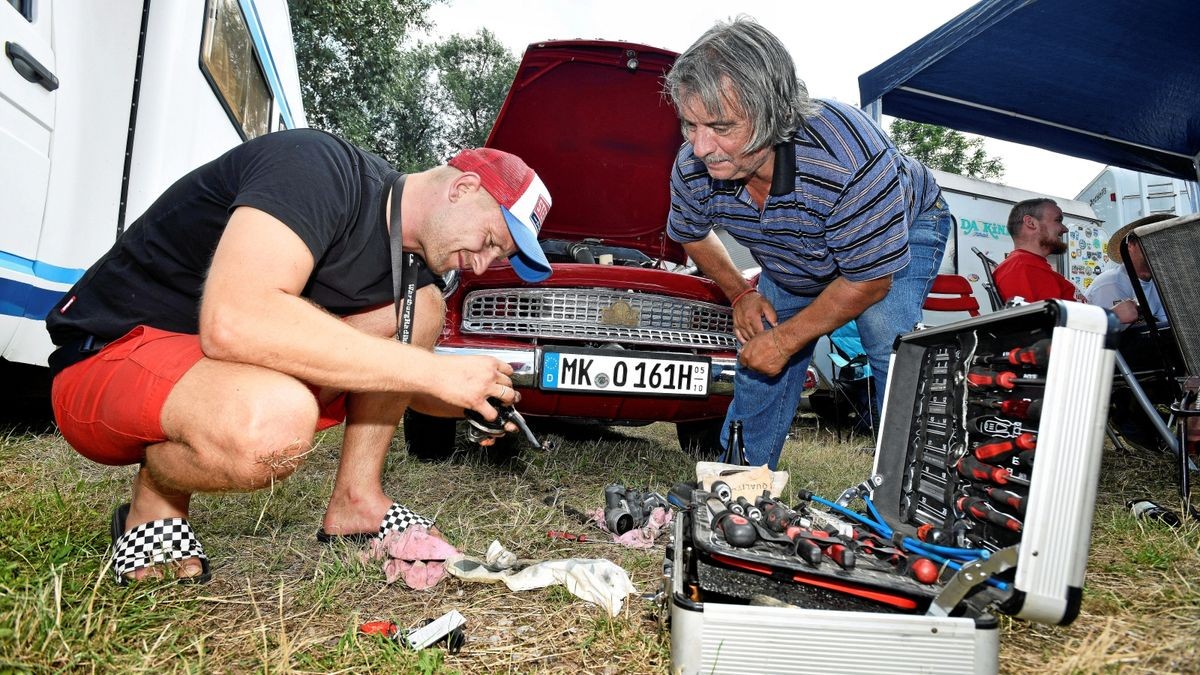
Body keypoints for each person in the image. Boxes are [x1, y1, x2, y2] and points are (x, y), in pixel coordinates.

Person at [45, 128, 553, 584]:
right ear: (462, 188)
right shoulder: (317, 167)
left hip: (207, 366)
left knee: (420, 310)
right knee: (274, 426)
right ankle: (154, 503)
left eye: (500, 257)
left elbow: (410, 391)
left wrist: (474, 404)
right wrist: (434, 370)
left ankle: (358, 501)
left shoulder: (410, 263)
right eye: (490, 240)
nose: (485, 265)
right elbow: (235, 320)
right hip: (112, 352)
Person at [664, 18, 951, 468]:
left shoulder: (849, 161)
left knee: (887, 344)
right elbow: (690, 234)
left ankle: (912, 493)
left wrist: (785, 342)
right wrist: (741, 293)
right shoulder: (694, 168)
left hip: (903, 228)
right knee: (758, 349)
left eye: (719, 126)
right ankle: (739, 482)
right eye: (689, 124)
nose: (701, 147)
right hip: (797, 255)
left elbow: (868, 281)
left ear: (774, 114)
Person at [992, 198, 1089, 305]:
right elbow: (1044, 320)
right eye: (1058, 220)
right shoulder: (1025, 266)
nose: (1065, 229)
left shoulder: (1029, 265)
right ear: (1031, 223)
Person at [1083, 213, 1173, 327]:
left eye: (1163, 242)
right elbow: (1112, 335)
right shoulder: (1111, 283)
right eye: (1149, 240)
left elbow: (1166, 324)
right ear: (1131, 245)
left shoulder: (1158, 282)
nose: (1159, 247)